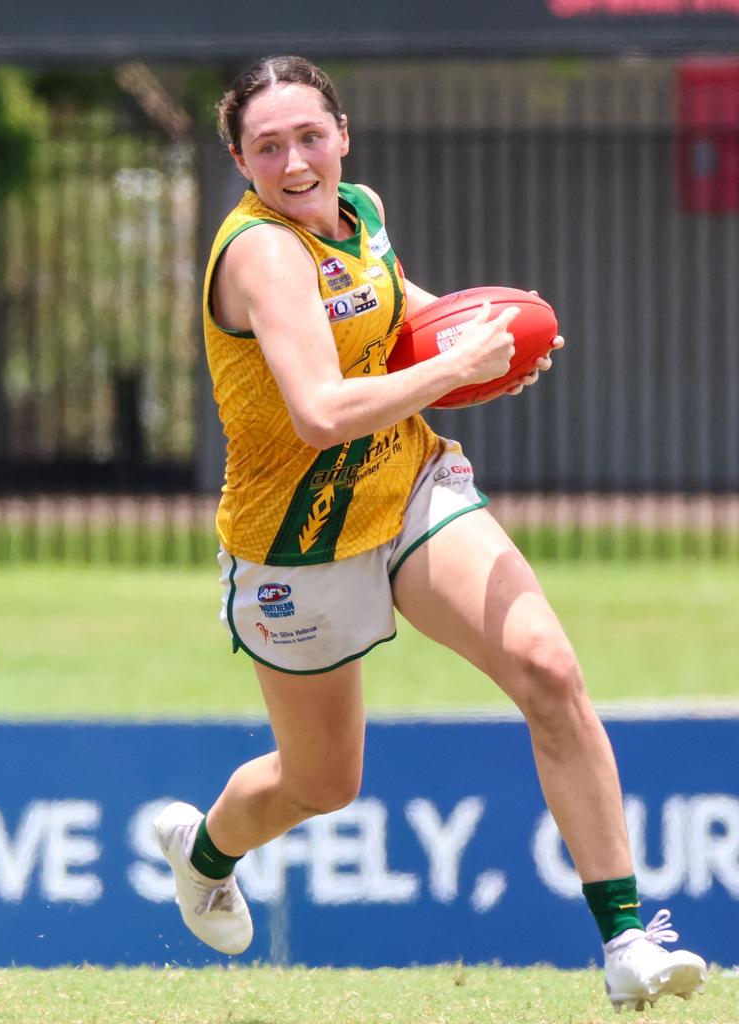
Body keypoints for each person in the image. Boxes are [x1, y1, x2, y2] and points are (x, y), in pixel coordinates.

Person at [154, 55, 707, 1012]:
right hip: (296, 544)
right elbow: (323, 409)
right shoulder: (261, 254)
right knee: (323, 782)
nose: (295, 162)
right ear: (241, 163)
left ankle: (627, 940)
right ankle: (203, 853)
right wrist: (458, 370)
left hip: (405, 485)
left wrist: (483, 337)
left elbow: (397, 309)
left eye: (310, 136)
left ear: (344, 136)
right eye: (269, 146)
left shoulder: (358, 212)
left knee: (547, 667)